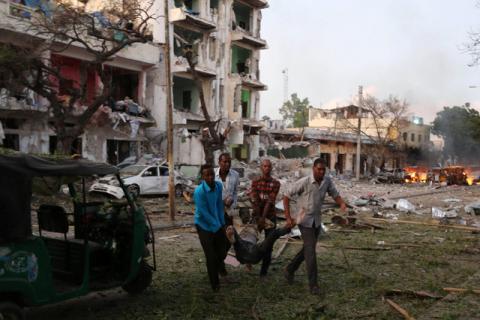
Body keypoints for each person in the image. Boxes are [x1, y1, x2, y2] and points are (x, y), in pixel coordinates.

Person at [283, 158, 347, 295]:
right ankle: (314, 285)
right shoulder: (305, 182)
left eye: (323, 169)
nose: (321, 172)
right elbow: (286, 195)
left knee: (307, 248)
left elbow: (335, 194)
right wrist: (288, 217)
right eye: (319, 169)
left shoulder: (327, 181)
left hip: (317, 221)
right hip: (304, 220)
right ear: (313, 168)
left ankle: (290, 269)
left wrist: (342, 204)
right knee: (311, 251)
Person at [194, 164, 229, 291]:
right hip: (203, 225)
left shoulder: (218, 186)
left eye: (211, 174)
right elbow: (204, 213)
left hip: (217, 222)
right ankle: (215, 284)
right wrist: (216, 226)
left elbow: (219, 205)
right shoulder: (199, 191)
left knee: (223, 251)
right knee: (211, 256)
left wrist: (222, 223)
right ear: (202, 177)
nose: (210, 177)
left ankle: (220, 267)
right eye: (206, 175)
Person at [250, 159, 281, 277]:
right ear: (261, 168)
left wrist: (263, 218)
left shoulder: (276, 183)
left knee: (269, 244)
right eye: (264, 166)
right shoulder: (255, 182)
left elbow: (270, 201)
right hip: (257, 216)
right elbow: (255, 200)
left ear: (271, 168)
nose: (266, 168)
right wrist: (258, 217)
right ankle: (249, 261)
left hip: (270, 216)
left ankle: (263, 272)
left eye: (268, 166)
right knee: (250, 240)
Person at [225, 222, 293, 266]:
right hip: (249, 253)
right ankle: (289, 227)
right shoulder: (252, 230)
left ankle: (232, 239)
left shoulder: (253, 229)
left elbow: (270, 224)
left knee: (236, 238)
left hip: (245, 253)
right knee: (272, 235)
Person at [214, 153, 240, 226]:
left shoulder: (235, 175)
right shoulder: (212, 175)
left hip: (229, 212)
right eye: (225, 162)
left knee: (228, 233)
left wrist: (233, 204)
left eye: (229, 162)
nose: (227, 164)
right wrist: (222, 202)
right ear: (219, 162)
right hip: (215, 211)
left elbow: (235, 192)